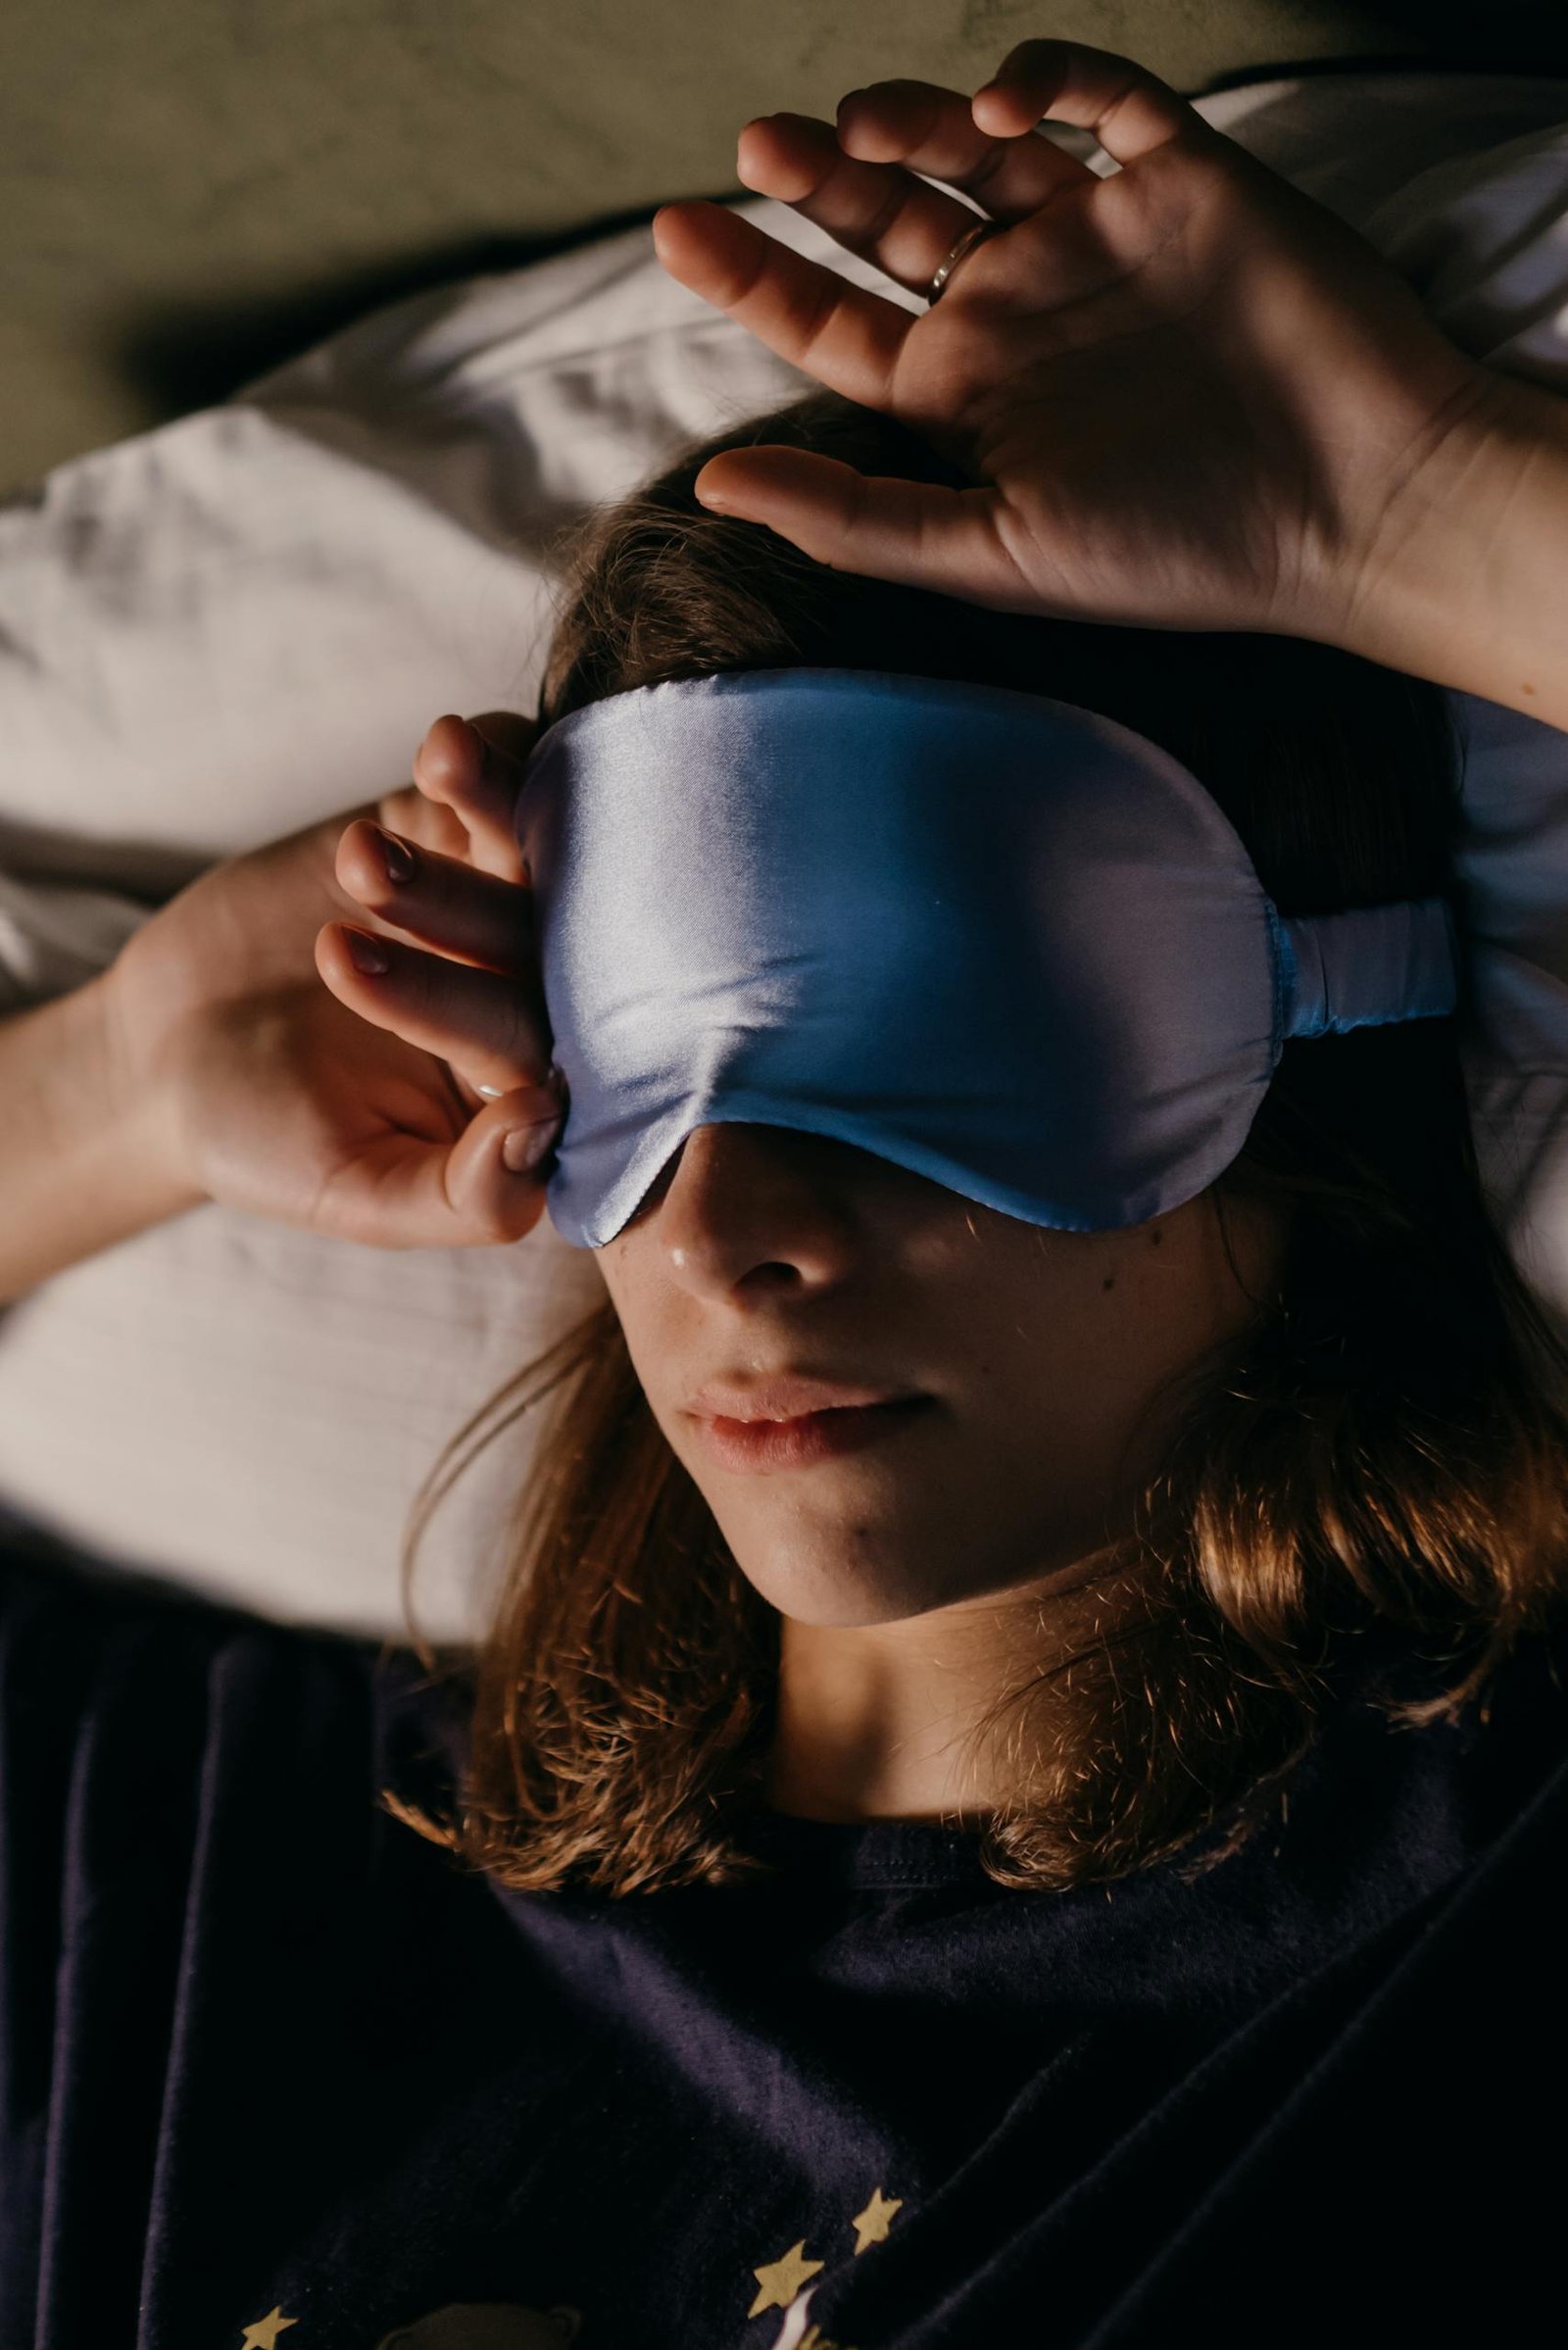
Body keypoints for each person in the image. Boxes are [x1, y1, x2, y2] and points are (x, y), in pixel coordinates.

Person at [5, 39, 1568, 2349]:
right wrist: (120, 1080)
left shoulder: (1465, 1939)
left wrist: (1421, 513)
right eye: (637, 1065)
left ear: (1307, 1040)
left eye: (930, 1041)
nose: (727, 1230)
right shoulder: (260, 1881)